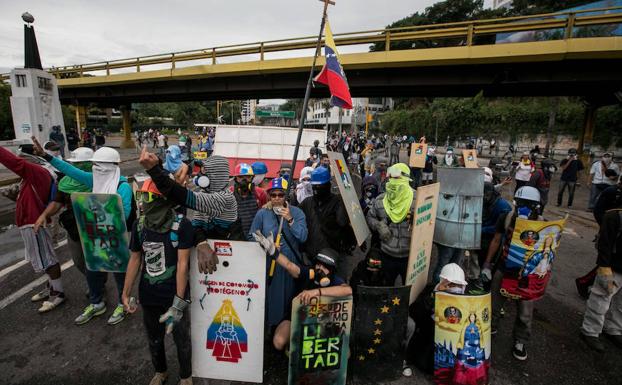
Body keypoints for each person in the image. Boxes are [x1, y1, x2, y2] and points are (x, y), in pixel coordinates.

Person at [37, 142, 134, 325]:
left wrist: (97, 211)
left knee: (120, 271)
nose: (96, 169)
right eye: (94, 164)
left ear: (113, 166)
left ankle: (124, 301)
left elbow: (124, 213)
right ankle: (96, 303)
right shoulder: (93, 179)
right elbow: (71, 170)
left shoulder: (123, 187)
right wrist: (47, 156)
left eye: (100, 165)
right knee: (93, 270)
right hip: (94, 237)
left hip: (116, 237)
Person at [122, 179, 193, 385]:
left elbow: (182, 265)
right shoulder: (139, 225)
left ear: (161, 200)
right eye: (140, 196)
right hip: (149, 295)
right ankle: (160, 372)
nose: (142, 202)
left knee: (181, 340)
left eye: (147, 197)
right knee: (154, 339)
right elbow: (135, 259)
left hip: (174, 295)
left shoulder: (181, 225)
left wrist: (179, 302)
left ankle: (186, 376)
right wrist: (125, 293)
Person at [252, 234, 352, 351]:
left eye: (325, 266)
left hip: (321, 321)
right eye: (318, 264)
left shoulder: (334, 280)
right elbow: (290, 266)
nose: (320, 268)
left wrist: (317, 292)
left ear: (332, 270)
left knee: (345, 351)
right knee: (278, 341)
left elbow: (347, 290)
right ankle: (292, 348)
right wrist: (274, 252)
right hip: (295, 317)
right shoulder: (309, 273)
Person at [0, 144, 66, 313]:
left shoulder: (38, 172)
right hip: (30, 222)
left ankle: (57, 293)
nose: (19, 160)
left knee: (47, 258)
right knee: (43, 258)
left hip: (36, 222)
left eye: (21, 157)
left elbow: (14, 163)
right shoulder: (32, 175)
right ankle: (51, 287)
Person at [480, 186, 543, 361]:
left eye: (528, 205)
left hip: (527, 275)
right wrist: (487, 264)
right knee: (494, 302)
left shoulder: (542, 225)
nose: (523, 208)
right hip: (503, 268)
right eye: (521, 203)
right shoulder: (507, 217)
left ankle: (520, 340)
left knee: (525, 311)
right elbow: (496, 239)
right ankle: (490, 329)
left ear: (536, 207)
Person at [249, 177, 307, 329]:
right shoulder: (262, 213)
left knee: (288, 299)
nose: (276, 198)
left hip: (290, 265)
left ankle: (286, 331)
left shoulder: (297, 212)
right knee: (270, 299)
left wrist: (290, 220)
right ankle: (269, 329)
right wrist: (265, 245)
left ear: (286, 196)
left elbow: (303, 237)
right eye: (273, 195)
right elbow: (252, 235)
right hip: (269, 264)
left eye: (280, 195)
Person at [34, 147, 94, 280]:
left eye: (83, 163)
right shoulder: (66, 183)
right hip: (74, 227)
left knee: (98, 261)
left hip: (96, 227)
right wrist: (44, 215)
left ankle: (98, 288)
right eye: (76, 164)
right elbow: (57, 202)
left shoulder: (96, 180)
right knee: (78, 261)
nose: (79, 167)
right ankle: (94, 282)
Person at [403, 263, 468, 376]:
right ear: (443, 282)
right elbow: (414, 311)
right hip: (430, 337)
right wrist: (434, 296)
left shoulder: (465, 299)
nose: (455, 288)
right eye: (451, 284)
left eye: (458, 285)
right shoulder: (431, 290)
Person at [579, 192, 622, 352]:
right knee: (600, 300)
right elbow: (604, 245)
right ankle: (590, 331)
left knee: (620, 305)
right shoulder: (614, 216)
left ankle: (614, 329)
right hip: (613, 268)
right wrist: (604, 268)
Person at [299, 167, 355, 277]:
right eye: (315, 186)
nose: (317, 189)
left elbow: (343, 222)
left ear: (328, 184)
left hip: (333, 259)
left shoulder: (338, 202)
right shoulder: (307, 203)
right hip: (312, 259)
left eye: (320, 186)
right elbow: (293, 216)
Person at [366, 163, 416, 285]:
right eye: (391, 177)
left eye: (397, 178)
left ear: (406, 179)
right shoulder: (380, 200)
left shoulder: (419, 200)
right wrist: (378, 226)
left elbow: (430, 223)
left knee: (410, 291)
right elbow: (370, 217)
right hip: (387, 255)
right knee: (386, 288)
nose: (394, 181)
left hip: (410, 257)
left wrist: (419, 221)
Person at [231, 163, 268, 237]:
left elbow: (265, 216)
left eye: (248, 177)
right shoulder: (229, 193)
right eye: (241, 177)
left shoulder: (260, 193)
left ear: (252, 178)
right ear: (235, 178)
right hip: (235, 235)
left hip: (255, 236)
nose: (244, 180)